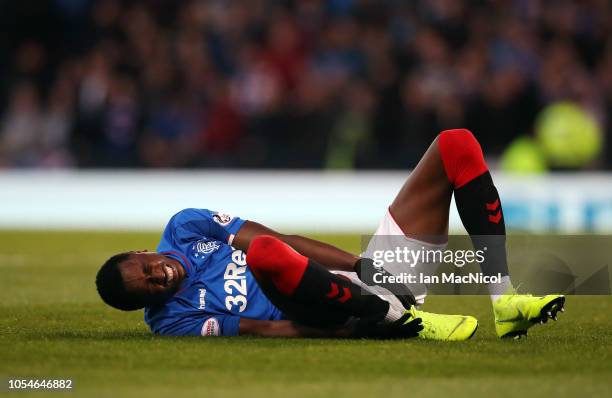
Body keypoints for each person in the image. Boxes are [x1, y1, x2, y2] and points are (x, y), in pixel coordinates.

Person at [96, 129, 564, 339]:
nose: (158, 276)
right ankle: (398, 322)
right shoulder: (170, 321)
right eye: (150, 289)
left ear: (141, 251)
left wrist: (362, 264)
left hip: (361, 281)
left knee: (455, 144)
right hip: (325, 309)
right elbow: (263, 327)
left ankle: (504, 301)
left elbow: (283, 236)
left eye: (146, 268)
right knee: (265, 256)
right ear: (148, 305)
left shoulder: (184, 226)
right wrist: (344, 329)